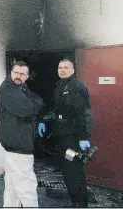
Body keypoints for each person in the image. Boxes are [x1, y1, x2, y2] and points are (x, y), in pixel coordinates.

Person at [38, 59, 93, 207]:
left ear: (73, 71)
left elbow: (84, 113)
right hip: (62, 138)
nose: (62, 70)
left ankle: (81, 204)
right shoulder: (60, 86)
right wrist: (43, 120)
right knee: (68, 169)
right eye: (60, 68)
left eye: (66, 68)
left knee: (73, 169)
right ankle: (74, 201)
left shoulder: (77, 87)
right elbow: (55, 110)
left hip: (73, 138)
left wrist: (83, 137)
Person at [0, 61, 44, 207]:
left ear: (27, 77)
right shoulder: (9, 90)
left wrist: (33, 103)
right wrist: (33, 104)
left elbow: (38, 100)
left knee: (12, 187)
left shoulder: (21, 88)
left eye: (22, 74)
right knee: (26, 186)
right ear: (11, 73)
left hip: (14, 144)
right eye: (15, 72)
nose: (18, 76)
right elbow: (26, 109)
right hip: (19, 145)